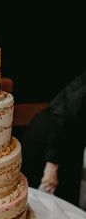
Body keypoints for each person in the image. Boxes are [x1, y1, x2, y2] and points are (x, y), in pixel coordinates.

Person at [21, 70, 86, 206]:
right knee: (30, 199)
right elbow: (62, 115)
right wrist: (52, 165)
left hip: (70, 140)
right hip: (50, 137)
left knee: (67, 202)